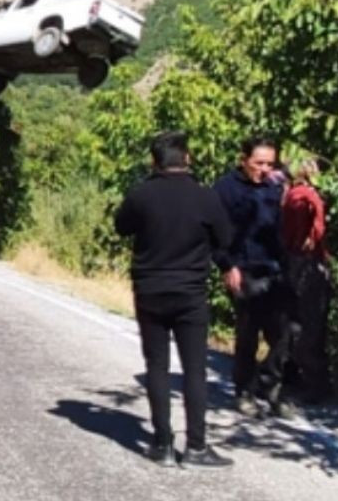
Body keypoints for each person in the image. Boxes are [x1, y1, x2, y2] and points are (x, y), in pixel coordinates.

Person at [115, 131, 234, 468]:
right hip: (190, 293)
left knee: (157, 366)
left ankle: (162, 443)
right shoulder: (205, 197)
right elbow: (225, 238)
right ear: (188, 158)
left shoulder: (141, 194)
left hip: (150, 289)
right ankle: (196, 447)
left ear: (154, 161)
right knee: (195, 369)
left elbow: (121, 227)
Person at [214, 135, 293, 418]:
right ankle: (244, 391)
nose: (264, 169)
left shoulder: (276, 185)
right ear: (244, 160)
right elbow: (215, 232)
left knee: (284, 333)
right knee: (248, 334)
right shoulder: (226, 189)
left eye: (270, 163)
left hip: (274, 267)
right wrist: (227, 266)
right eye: (259, 163)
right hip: (243, 267)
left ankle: (270, 386)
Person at [281, 157, 333, 404]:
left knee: (304, 325)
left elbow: (304, 231)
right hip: (315, 263)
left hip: (302, 262)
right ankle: (312, 380)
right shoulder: (312, 194)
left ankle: (314, 384)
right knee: (311, 324)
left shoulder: (298, 196)